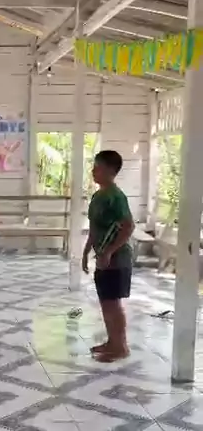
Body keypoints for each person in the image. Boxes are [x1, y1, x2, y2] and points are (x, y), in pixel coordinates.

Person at [82, 149, 135, 363]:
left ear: (111, 171)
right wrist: (86, 251)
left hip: (117, 259)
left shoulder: (116, 197)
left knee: (113, 302)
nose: (94, 171)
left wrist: (110, 251)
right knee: (105, 302)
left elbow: (128, 226)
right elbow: (94, 229)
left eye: (98, 168)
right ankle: (112, 342)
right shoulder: (98, 196)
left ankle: (121, 347)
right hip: (102, 256)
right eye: (94, 167)